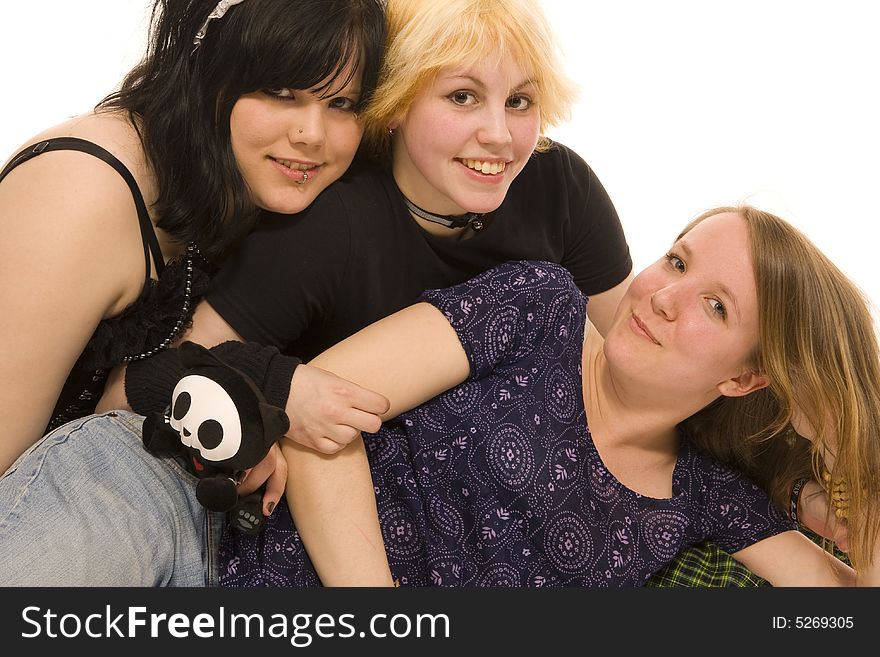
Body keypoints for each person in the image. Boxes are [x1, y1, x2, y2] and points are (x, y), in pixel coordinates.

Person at [228, 205, 878, 587]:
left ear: (744, 379)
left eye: (715, 305)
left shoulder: (703, 494)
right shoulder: (539, 305)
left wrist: (834, 426)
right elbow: (316, 413)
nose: (663, 295)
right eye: (678, 261)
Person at [0, 0, 387, 585]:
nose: (312, 134)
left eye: (341, 104)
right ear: (209, 67)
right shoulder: (83, 192)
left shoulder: (244, 185)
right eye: (282, 92)